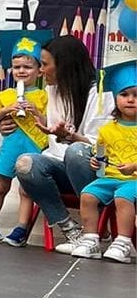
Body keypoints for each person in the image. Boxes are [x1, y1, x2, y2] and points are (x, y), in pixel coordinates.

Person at [14, 35, 110, 248]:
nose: (40, 70)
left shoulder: (100, 93)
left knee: (75, 151)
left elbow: (101, 146)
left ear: (64, 65)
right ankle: (70, 229)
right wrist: (40, 121)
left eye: (45, 64)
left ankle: (93, 228)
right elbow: (56, 135)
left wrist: (70, 137)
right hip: (61, 167)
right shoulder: (53, 89)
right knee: (25, 163)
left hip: (93, 169)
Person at [57, 61, 137, 263]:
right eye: (125, 94)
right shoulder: (107, 129)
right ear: (116, 98)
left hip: (133, 181)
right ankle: (91, 239)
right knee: (88, 194)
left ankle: (124, 242)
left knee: (123, 196)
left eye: (136, 95)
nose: (131, 100)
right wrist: (95, 162)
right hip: (111, 177)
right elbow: (100, 155)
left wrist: (134, 167)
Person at [0, 29, 50, 246]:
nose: (22, 71)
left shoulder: (44, 95)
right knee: (1, 186)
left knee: (26, 190)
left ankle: (21, 228)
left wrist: (36, 112)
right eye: (17, 67)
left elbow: (48, 124)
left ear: (39, 71)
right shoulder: (5, 95)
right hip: (11, 146)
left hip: (32, 147)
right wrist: (6, 110)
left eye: (28, 67)